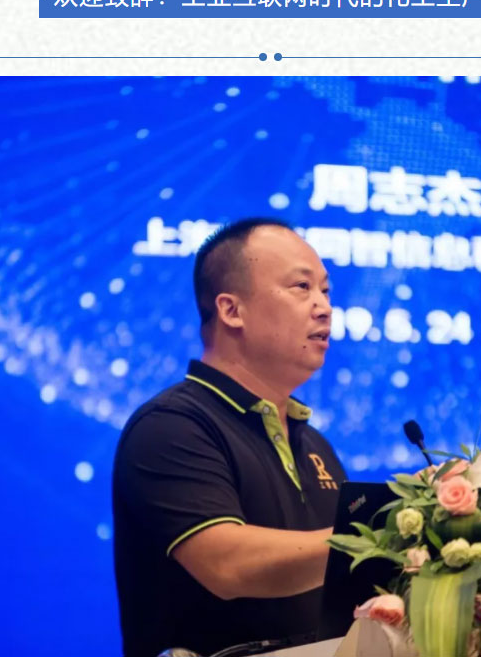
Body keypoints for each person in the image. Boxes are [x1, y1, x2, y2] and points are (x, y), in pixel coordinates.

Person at [112, 218, 346, 657]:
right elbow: (227, 565)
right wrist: (374, 537)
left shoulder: (317, 446)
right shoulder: (171, 426)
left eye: (326, 290)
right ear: (231, 310)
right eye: (302, 287)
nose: (324, 307)